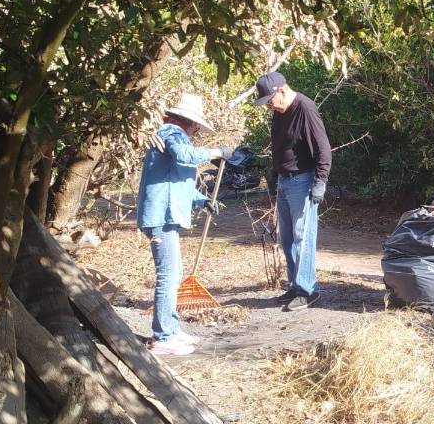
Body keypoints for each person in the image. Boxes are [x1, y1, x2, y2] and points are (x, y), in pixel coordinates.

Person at [137, 93, 231, 355]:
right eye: (196, 125)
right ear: (189, 121)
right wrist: (216, 152)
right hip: (160, 217)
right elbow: (184, 155)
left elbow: (177, 181)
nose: (197, 129)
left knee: (174, 273)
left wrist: (202, 201)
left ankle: (172, 330)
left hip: (167, 215)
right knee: (168, 276)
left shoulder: (174, 135)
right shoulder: (171, 132)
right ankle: (163, 337)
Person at [253, 71, 332, 311]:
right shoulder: (279, 112)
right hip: (285, 181)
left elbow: (323, 149)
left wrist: (320, 182)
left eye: (270, 100)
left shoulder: (305, 108)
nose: (269, 106)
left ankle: (308, 291)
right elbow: (280, 145)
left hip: (303, 181)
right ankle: (296, 285)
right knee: (287, 238)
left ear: (282, 91)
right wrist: (274, 172)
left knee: (303, 236)